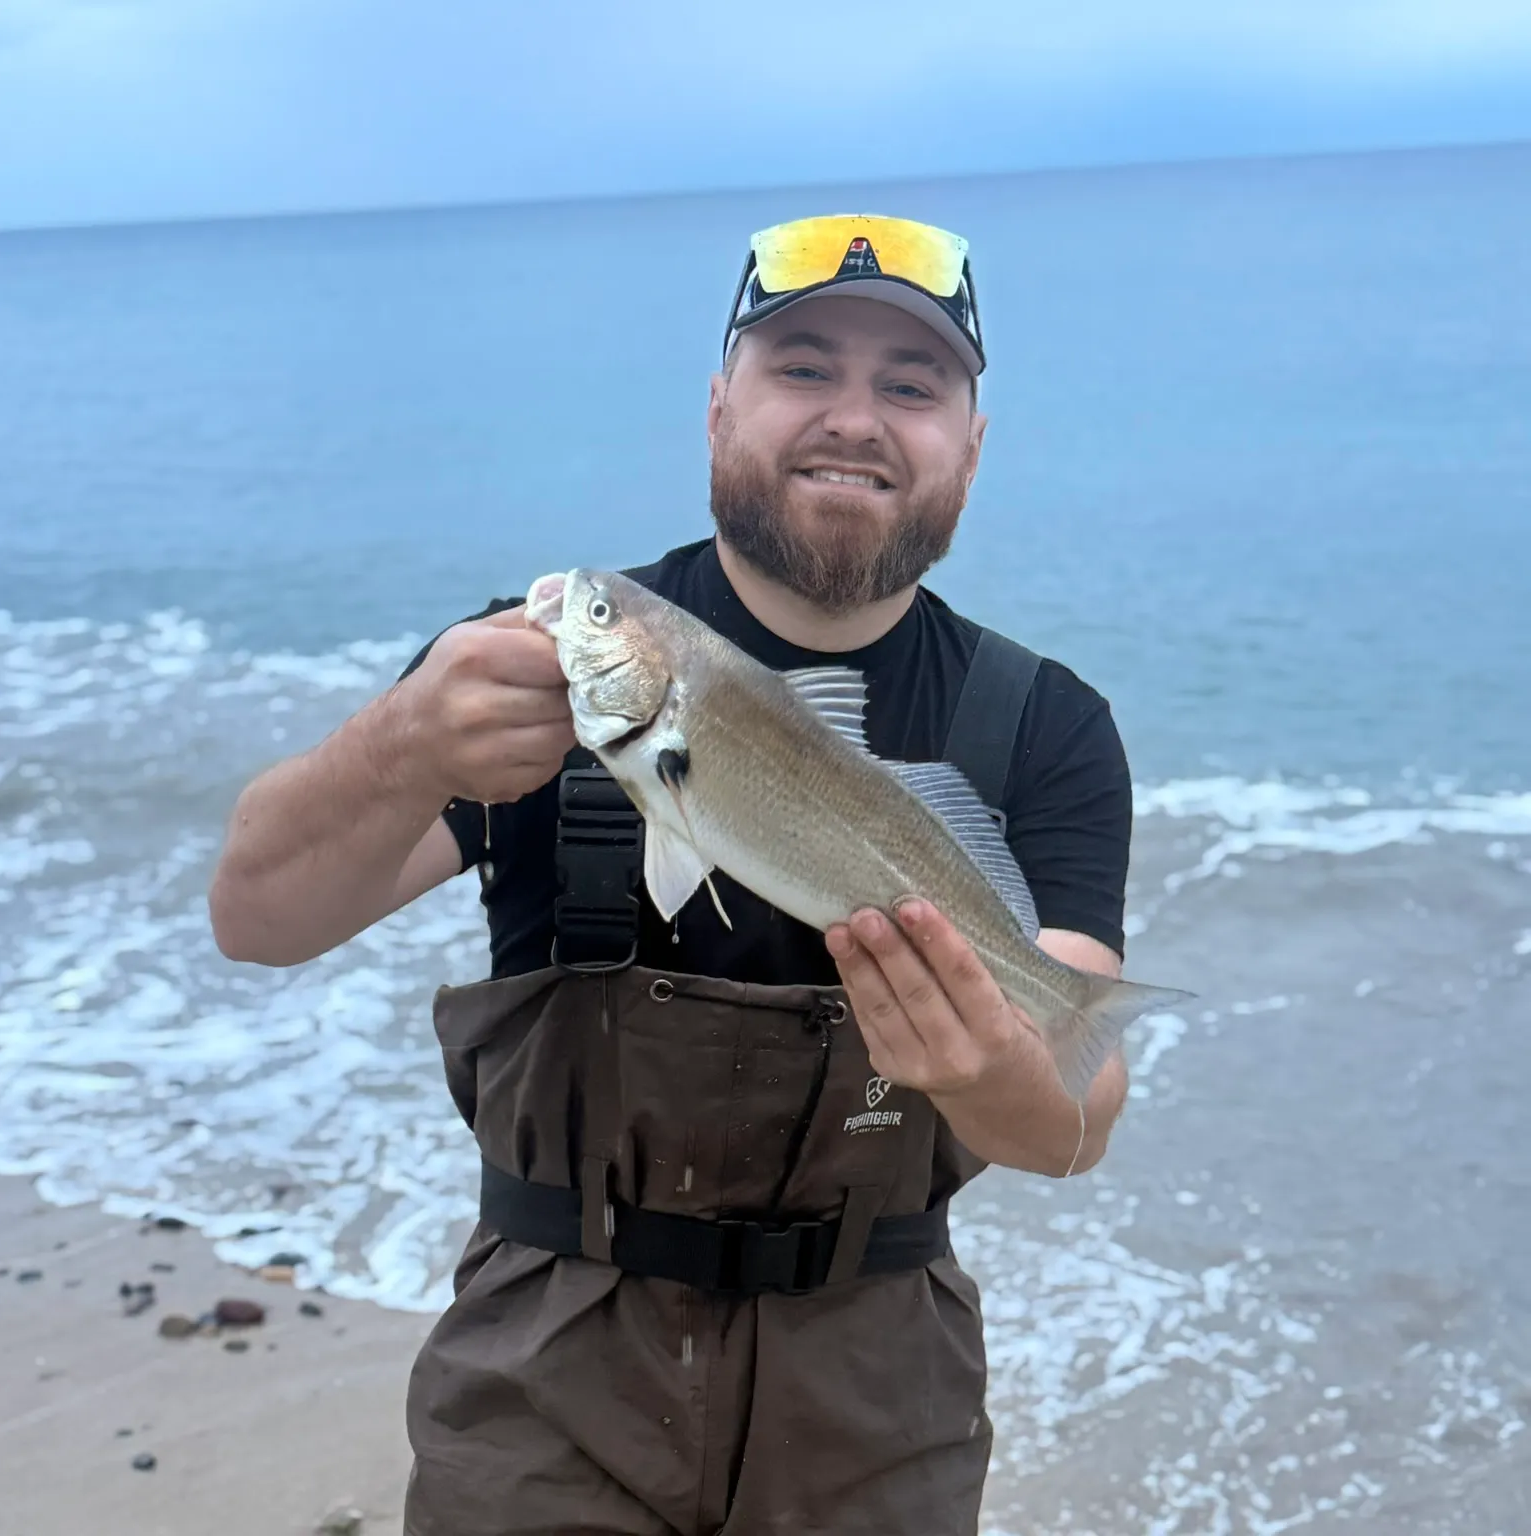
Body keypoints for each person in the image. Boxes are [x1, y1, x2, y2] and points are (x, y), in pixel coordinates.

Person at [208, 213, 1136, 1536]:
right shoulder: (526, 670)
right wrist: (402, 742)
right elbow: (257, 918)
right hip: (546, 1380)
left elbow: (1074, 1127)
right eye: (803, 367)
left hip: (880, 1390)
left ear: (971, 450)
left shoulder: (1046, 730)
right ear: (719, 408)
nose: (853, 418)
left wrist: (989, 1067)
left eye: (911, 386)